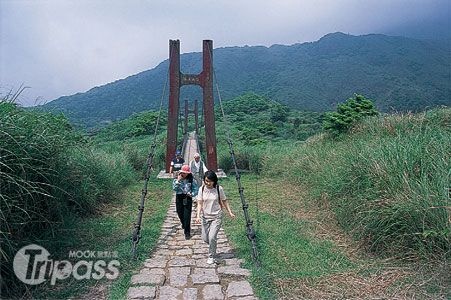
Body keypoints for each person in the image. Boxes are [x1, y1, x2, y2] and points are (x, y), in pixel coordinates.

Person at [195, 170, 235, 264]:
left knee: (212, 237)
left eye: (210, 181)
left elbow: (224, 201)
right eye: (206, 181)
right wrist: (197, 216)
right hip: (205, 217)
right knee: (205, 238)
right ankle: (213, 245)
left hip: (217, 216)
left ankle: (211, 256)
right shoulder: (201, 189)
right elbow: (200, 203)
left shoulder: (218, 189)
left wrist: (230, 212)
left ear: (214, 180)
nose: (208, 183)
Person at [173, 165, 198, 239]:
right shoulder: (176, 179)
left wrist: (192, 194)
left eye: (185, 173)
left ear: (188, 173)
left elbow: (196, 189)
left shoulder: (192, 180)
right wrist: (178, 181)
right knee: (179, 212)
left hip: (187, 197)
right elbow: (174, 188)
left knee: (187, 215)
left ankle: (187, 232)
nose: (183, 174)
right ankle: (184, 224)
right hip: (179, 197)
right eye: (182, 172)